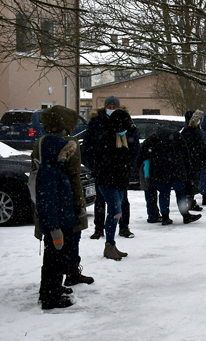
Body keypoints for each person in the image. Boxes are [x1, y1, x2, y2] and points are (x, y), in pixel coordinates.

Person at [33, 106, 94, 288]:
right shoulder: (68, 144)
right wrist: (79, 202)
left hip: (47, 197)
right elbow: (74, 174)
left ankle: (62, 277)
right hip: (64, 198)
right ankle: (67, 275)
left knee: (56, 244)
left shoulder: (41, 142)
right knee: (68, 239)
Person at [33, 127, 80, 309]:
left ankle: (54, 288)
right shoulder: (48, 173)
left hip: (63, 222)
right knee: (53, 261)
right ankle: (49, 297)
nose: (66, 157)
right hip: (57, 226)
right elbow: (47, 204)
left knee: (58, 260)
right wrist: (54, 228)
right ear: (54, 153)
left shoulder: (55, 169)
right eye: (64, 153)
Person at [83, 95, 136, 239]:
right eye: (109, 107)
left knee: (123, 201)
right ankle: (99, 228)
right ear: (105, 108)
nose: (111, 110)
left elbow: (134, 145)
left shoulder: (125, 121)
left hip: (120, 169)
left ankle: (124, 227)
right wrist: (93, 165)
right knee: (100, 201)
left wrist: (129, 164)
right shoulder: (97, 122)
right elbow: (87, 146)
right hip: (102, 170)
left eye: (114, 107)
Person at [93, 108, 135, 260]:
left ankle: (111, 244)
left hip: (119, 182)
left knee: (117, 213)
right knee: (115, 212)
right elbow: (103, 162)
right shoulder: (107, 139)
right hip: (108, 182)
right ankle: (109, 245)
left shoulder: (120, 138)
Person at [138, 125, 201, 225]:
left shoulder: (152, 137)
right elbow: (185, 153)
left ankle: (165, 217)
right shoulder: (177, 135)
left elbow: (142, 154)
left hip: (160, 171)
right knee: (180, 193)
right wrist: (188, 169)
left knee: (164, 194)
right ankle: (185, 215)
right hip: (177, 169)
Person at [182, 110, 206, 211]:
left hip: (196, 162)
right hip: (192, 162)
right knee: (191, 183)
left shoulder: (196, 131)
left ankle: (190, 201)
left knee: (194, 182)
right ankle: (189, 202)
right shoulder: (188, 132)